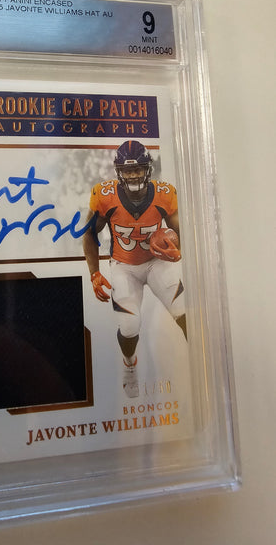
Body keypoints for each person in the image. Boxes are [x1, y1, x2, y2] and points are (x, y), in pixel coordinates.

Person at [82, 140, 187, 398]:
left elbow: (181, 231)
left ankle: (198, 359)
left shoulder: (164, 193)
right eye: (128, 171)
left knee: (185, 312)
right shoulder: (104, 195)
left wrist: (177, 248)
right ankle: (130, 364)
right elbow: (89, 234)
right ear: (119, 172)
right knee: (130, 326)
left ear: (148, 169)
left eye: (138, 169)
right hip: (124, 266)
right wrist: (94, 272)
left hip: (156, 262)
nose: (133, 175)